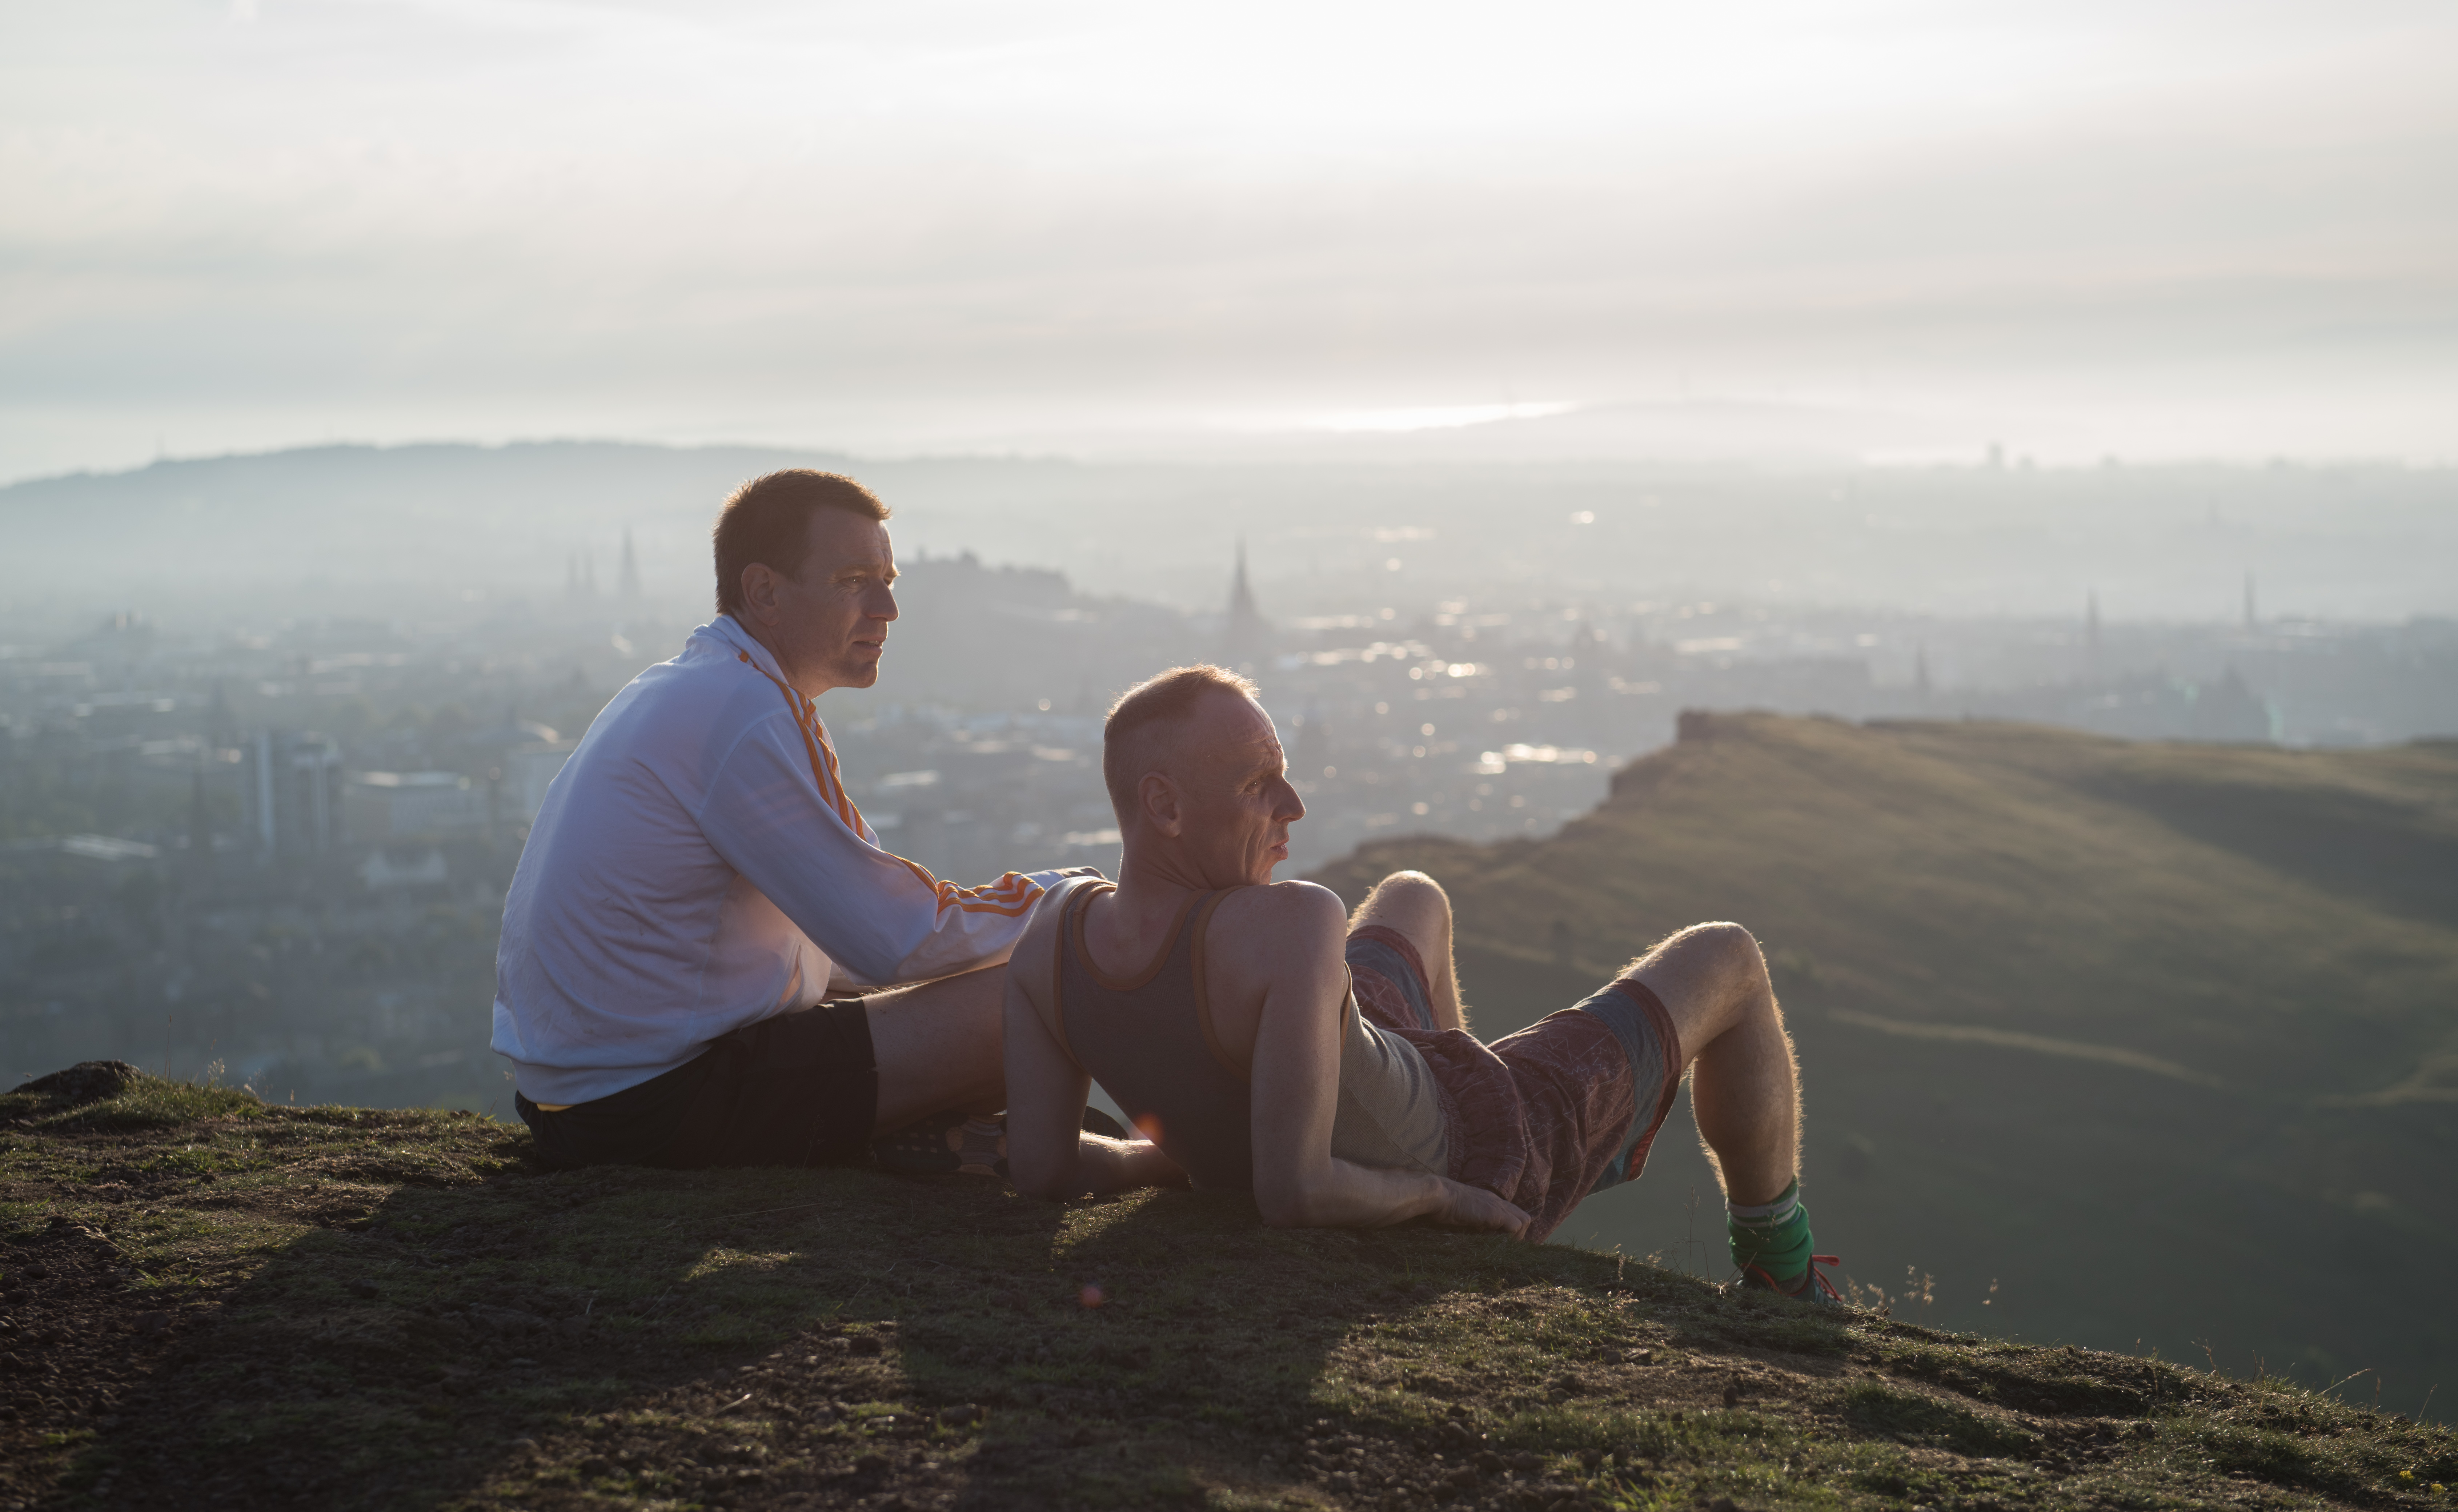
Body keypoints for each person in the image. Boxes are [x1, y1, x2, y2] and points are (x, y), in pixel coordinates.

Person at [1003, 665, 1837, 1299]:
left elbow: (1040, 1166)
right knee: (1727, 957)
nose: (1293, 804)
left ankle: (1457, 1065)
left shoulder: (1048, 938)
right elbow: (1295, 1192)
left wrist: (1175, 1159)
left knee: (1413, 894)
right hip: (1480, 1148)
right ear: (1166, 806)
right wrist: (1446, 1197)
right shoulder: (1290, 925)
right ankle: (1784, 1271)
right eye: (1259, 784)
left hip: (1376, 1057)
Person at [494, 469, 1087, 1174]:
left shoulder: (701, 687)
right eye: (854, 579)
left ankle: (929, 1141)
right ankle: (1096, 1163)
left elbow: (836, 942)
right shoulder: (744, 713)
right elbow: (899, 937)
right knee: (1057, 984)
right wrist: (1074, 902)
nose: (888, 606)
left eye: (889, 577)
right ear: (765, 592)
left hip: (582, 1103)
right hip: (650, 1107)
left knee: (1007, 976)